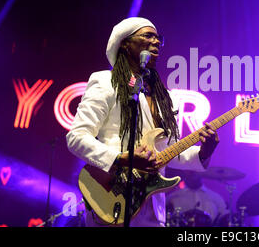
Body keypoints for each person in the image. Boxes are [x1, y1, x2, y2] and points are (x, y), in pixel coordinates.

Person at [66, 17, 219, 227]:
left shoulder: (164, 97)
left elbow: (168, 152)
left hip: (151, 207)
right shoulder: (105, 82)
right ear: (125, 44)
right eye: (148, 35)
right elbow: (76, 137)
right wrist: (121, 158)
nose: (156, 42)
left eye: (158, 38)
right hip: (112, 196)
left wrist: (203, 153)